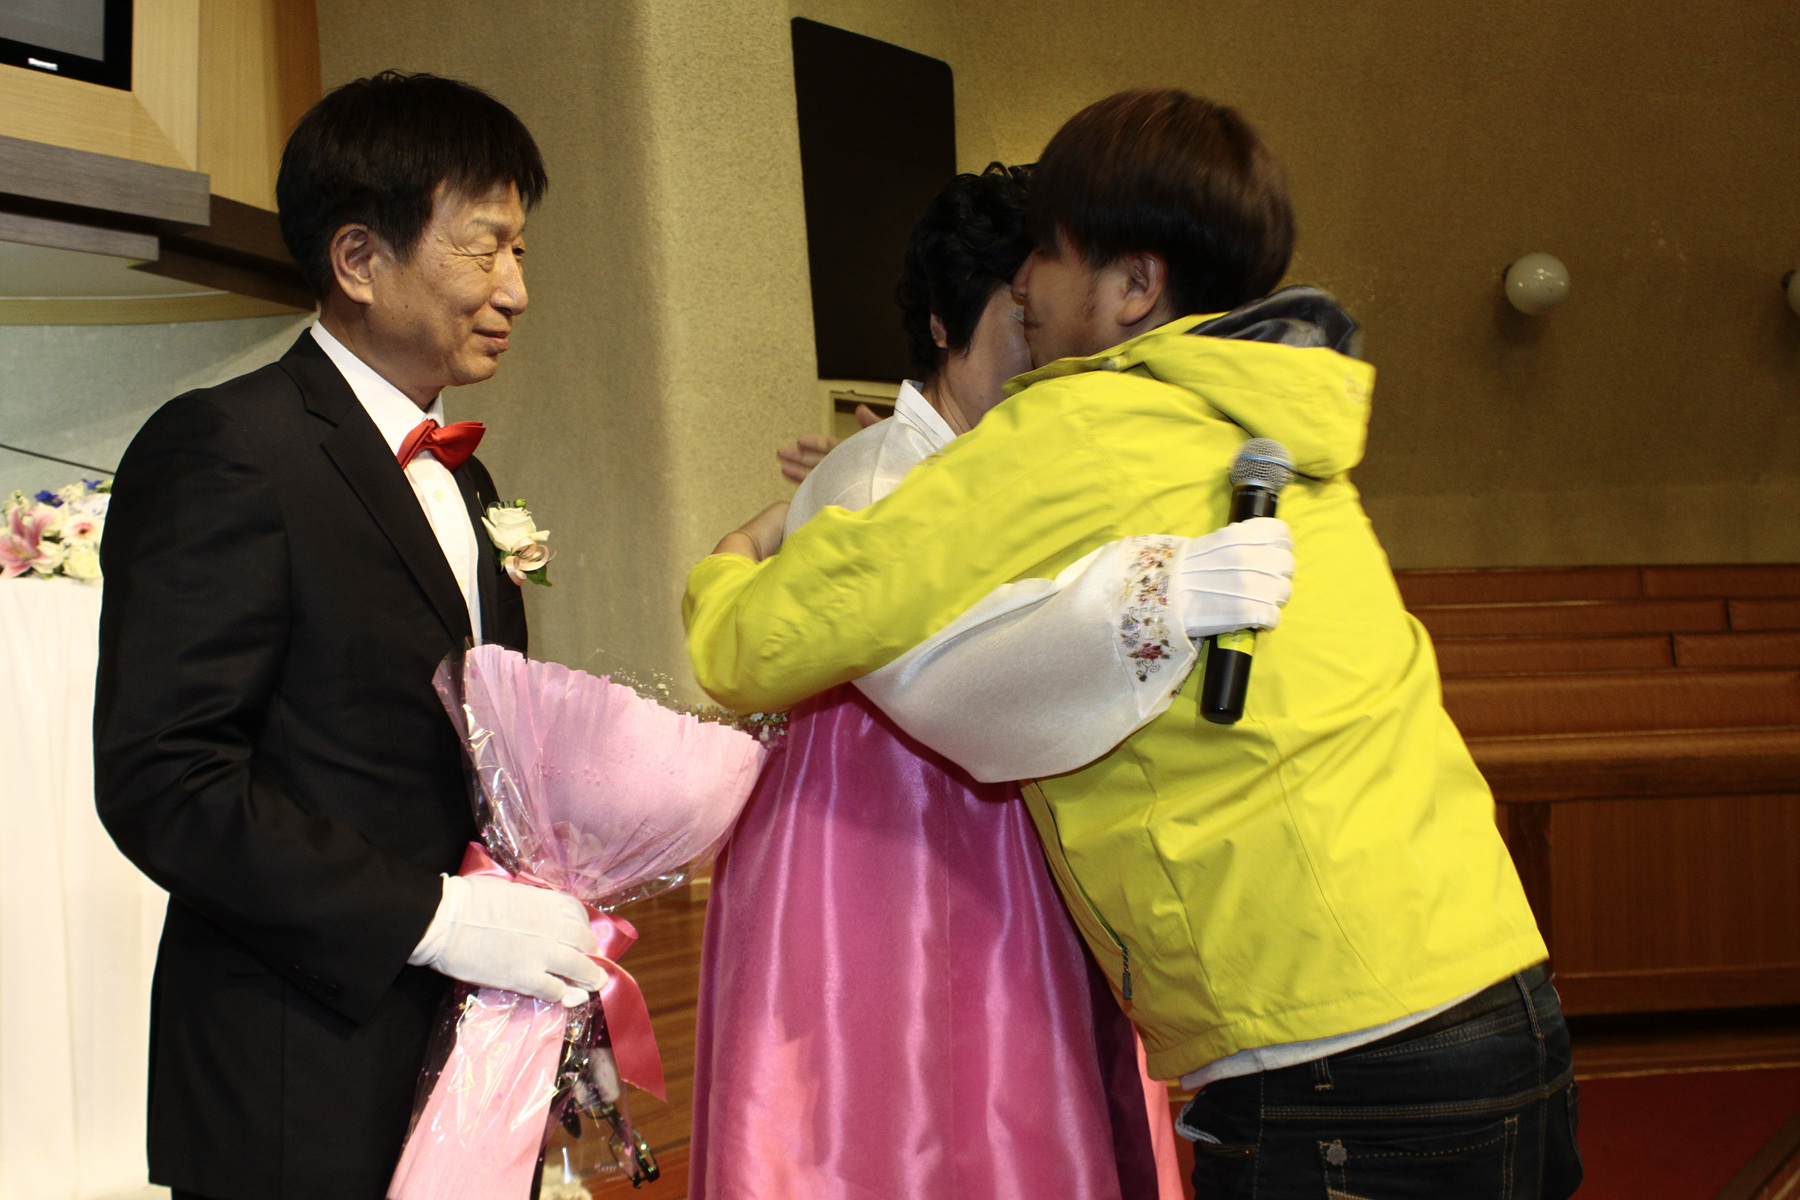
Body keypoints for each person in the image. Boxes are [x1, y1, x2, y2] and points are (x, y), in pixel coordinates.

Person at [685, 90, 1581, 1198]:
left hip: (1328, 1045)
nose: (1026, 284)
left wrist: (732, 560)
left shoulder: (1078, 425)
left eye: (1048, 255)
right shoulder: (1271, 418)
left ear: (1133, 285)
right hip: (1498, 987)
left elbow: (758, 645)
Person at [95, 72, 606, 1200]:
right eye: (485, 247)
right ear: (361, 259)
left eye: (521, 250)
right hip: (297, 1071)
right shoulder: (227, 447)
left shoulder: (469, 481)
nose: (517, 289)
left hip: (463, 1059)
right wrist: (438, 916)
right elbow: (165, 781)